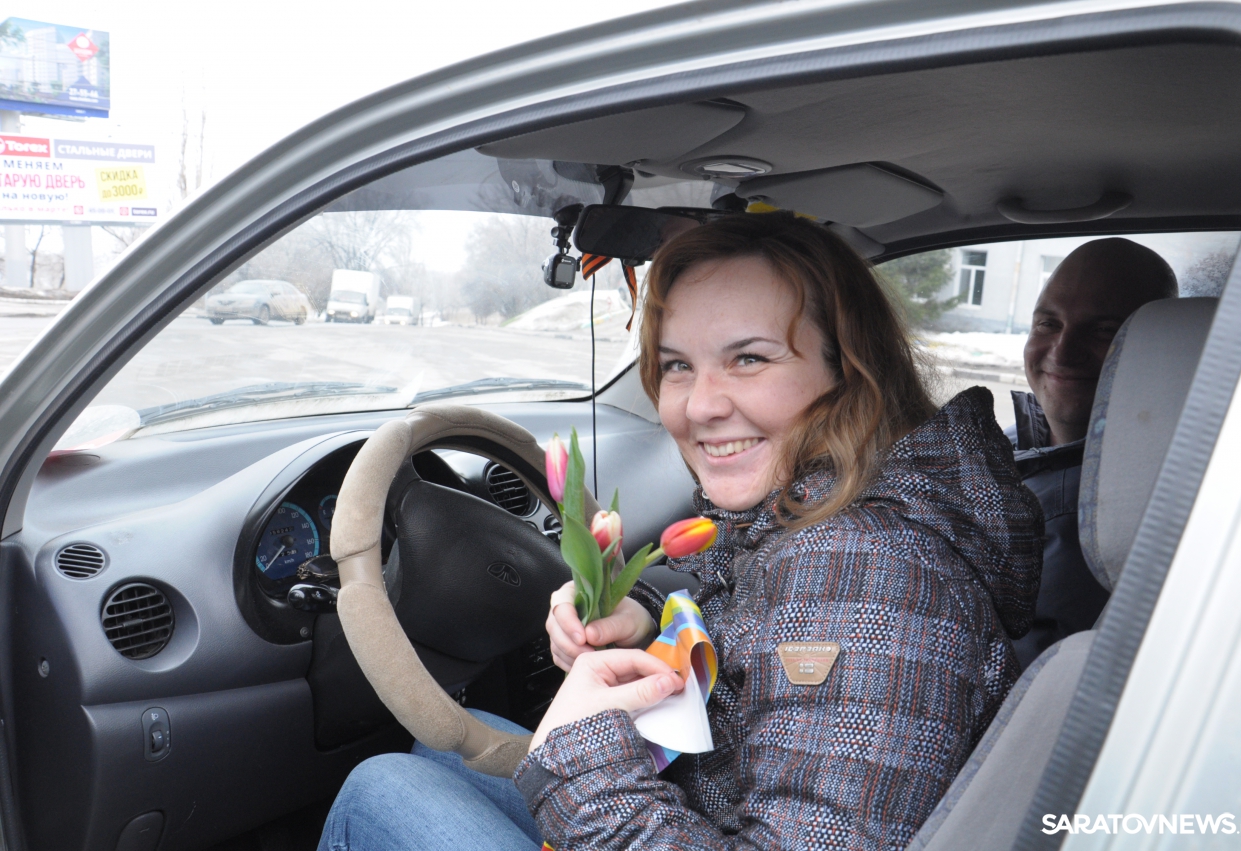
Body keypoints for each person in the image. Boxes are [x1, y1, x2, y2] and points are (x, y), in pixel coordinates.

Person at [320, 213, 1042, 850]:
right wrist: (642, 631)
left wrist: (579, 757)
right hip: (709, 810)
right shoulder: (816, 515)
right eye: (676, 366)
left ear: (848, 369)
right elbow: (769, 667)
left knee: (382, 790)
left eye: (749, 358)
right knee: (440, 749)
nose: (698, 406)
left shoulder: (866, 568)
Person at [1007, 237, 1178, 666]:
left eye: (1103, 330)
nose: (1063, 351)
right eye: (1048, 323)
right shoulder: (1007, 444)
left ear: (1156, 347)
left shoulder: (1110, 515)